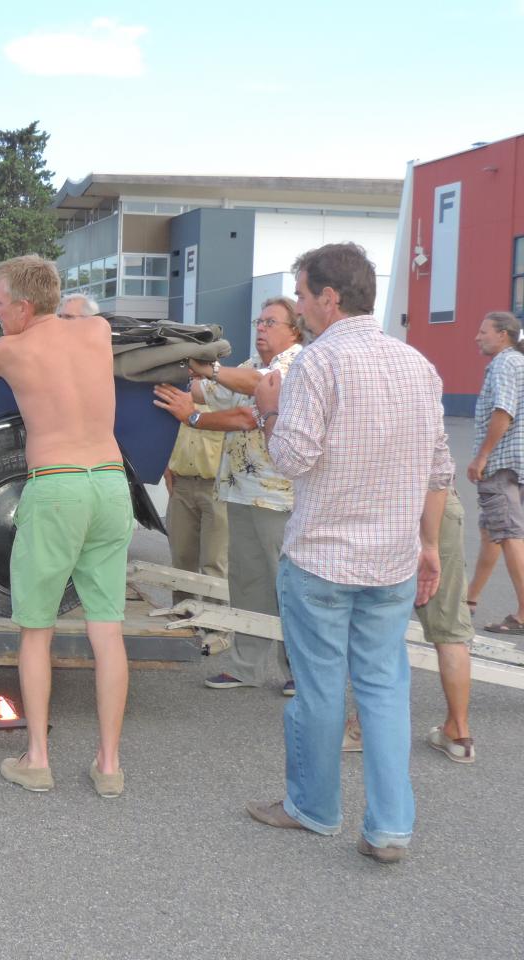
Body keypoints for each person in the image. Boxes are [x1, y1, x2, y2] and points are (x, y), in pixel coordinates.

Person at [248, 242, 452, 864]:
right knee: (385, 688)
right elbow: (439, 465)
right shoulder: (418, 364)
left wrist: (267, 411)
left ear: (329, 298)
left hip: (323, 558)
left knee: (318, 689)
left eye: (304, 295)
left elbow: (293, 458)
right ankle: (390, 826)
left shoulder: (317, 364)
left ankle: (313, 806)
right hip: (392, 556)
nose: (301, 307)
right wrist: (430, 545)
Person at [0, 255, 133, 798]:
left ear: (24, 307)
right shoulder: (95, 330)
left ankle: (38, 759)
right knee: (107, 630)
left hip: (57, 486)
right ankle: (109, 765)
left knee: (36, 630)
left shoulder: (9, 349)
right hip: (111, 484)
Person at [152, 297, 303, 694]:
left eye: (272, 322)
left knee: (283, 584)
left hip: (277, 498)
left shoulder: (297, 364)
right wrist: (172, 371)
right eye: (260, 320)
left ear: (295, 330)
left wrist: (194, 414)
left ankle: (298, 671)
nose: (262, 327)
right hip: (240, 491)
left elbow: (247, 412)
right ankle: (246, 666)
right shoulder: (251, 365)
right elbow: (207, 390)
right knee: (247, 583)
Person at [344, 489, 475, 763]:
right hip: (441, 502)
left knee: (379, 619)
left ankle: (365, 728)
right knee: (450, 630)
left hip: (391, 501)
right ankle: (459, 734)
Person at [466, 311, 524, 634]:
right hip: (516, 462)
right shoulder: (517, 361)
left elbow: (504, 411)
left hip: (501, 462)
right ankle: (470, 599)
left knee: (510, 534)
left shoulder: (504, 363)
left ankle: (523, 614)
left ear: (502, 334)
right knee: (492, 531)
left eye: (483, 330)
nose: (477, 336)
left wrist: (482, 456)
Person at [160, 415, 227, 607]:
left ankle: (214, 629)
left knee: (214, 563)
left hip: (216, 486)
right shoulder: (182, 390)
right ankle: (183, 618)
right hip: (181, 483)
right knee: (181, 560)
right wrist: (165, 465)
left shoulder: (226, 392)